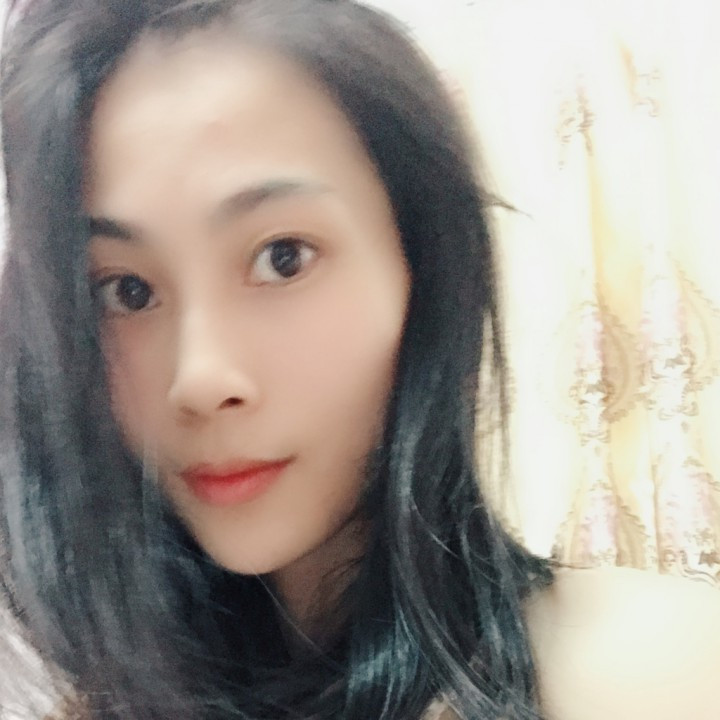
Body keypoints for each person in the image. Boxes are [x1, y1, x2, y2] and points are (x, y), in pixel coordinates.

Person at [0, 1, 718, 719]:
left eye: (283, 258)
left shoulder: (645, 673)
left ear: (420, 263)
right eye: (125, 291)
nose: (202, 378)